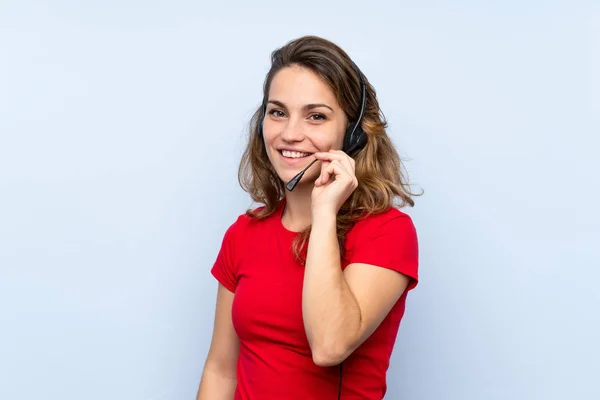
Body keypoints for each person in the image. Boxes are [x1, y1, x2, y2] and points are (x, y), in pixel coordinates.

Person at [196, 35, 421, 400]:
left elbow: (330, 345)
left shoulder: (387, 232)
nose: (290, 134)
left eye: (316, 116)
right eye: (278, 112)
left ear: (353, 135)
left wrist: (324, 211)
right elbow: (221, 370)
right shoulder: (243, 233)